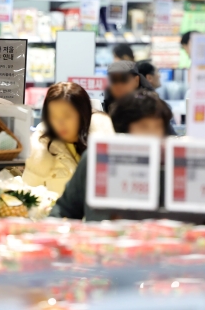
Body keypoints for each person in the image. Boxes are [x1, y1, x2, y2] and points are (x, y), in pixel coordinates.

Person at [50, 90, 174, 220]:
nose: (153, 134)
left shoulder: (170, 165)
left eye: (158, 127)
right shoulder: (96, 158)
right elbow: (65, 209)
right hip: (101, 238)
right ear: (122, 128)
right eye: (144, 127)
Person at [23, 82, 114, 195]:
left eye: (67, 116)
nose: (60, 123)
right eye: (53, 116)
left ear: (83, 113)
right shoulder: (41, 150)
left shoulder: (103, 144)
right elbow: (28, 192)